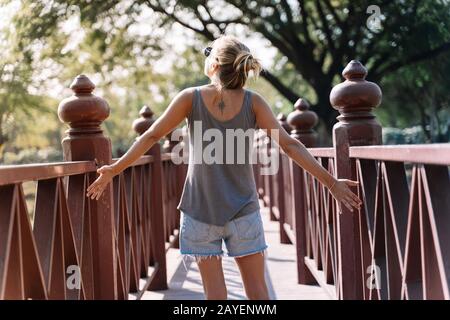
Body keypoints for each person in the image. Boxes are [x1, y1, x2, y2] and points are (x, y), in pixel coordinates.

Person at [86, 35, 362, 300]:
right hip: (244, 211)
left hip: (199, 211)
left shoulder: (189, 98)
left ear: (214, 65)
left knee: (215, 295)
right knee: (257, 293)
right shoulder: (254, 103)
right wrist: (331, 182)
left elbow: (151, 136)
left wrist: (115, 168)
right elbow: (289, 146)